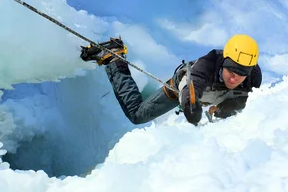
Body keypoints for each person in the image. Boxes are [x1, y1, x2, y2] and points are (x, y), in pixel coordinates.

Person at [80, 34, 262, 125]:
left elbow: (243, 100)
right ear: (223, 61)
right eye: (231, 70)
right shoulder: (206, 65)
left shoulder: (253, 78)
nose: (234, 78)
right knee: (137, 115)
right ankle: (113, 58)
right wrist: (190, 104)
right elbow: (191, 85)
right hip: (180, 89)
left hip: (212, 98)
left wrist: (223, 110)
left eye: (241, 74)